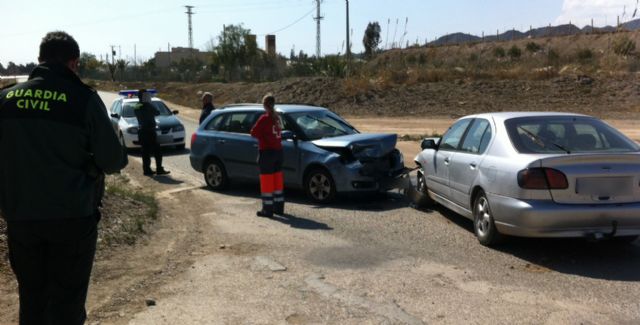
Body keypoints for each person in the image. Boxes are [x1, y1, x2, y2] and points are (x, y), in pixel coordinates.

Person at [0, 31, 128, 325]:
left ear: (40, 59)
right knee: (67, 303)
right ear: (74, 63)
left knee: (31, 299)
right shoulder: (83, 99)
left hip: (22, 220)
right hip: (72, 219)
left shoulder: (5, 99)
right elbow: (111, 161)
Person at [250, 93, 285, 217]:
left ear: (265, 105)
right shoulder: (277, 117)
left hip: (267, 153)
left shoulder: (265, 118)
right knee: (277, 181)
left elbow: (253, 132)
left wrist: (262, 136)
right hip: (279, 152)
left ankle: (268, 209)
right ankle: (279, 207)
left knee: (267, 181)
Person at [135, 89, 169, 176]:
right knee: (157, 151)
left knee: (145, 152)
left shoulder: (137, 106)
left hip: (142, 131)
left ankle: (147, 170)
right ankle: (159, 169)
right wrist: (149, 103)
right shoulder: (147, 106)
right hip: (149, 131)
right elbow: (157, 112)